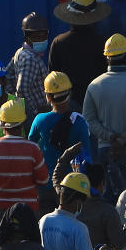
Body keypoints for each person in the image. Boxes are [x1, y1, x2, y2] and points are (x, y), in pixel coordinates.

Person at [82, 34, 126, 199]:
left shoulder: (94, 85)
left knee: (110, 200)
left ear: (107, 59)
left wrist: (110, 137)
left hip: (107, 150)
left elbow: (89, 120)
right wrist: (123, 139)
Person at [28, 71, 91, 210]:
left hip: (45, 186)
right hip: (72, 187)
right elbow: (87, 158)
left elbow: (30, 150)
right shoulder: (79, 122)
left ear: (48, 96)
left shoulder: (39, 120)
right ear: (69, 94)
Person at [0, 100, 49, 213]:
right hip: (27, 209)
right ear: (23, 124)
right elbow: (43, 180)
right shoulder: (33, 149)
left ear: (1, 124)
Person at [48, 0, 109, 107]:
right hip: (97, 100)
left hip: (68, 103)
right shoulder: (103, 43)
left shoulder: (59, 42)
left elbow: (53, 76)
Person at [6, 12, 51, 116]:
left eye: (43, 36)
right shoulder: (30, 59)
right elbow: (22, 91)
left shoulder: (20, 52)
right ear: (27, 37)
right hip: (38, 112)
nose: (41, 40)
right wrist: (34, 112)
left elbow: (7, 75)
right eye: (36, 37)